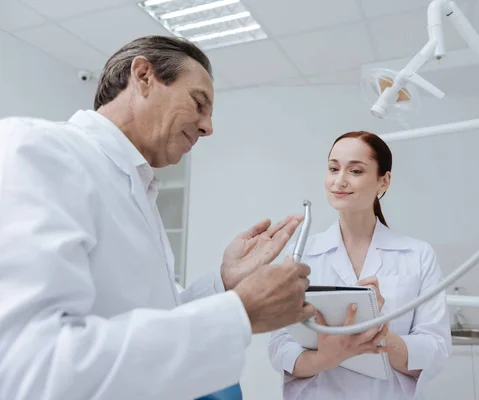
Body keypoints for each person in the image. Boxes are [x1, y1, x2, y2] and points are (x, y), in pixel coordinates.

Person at [0, 35, 316, 400]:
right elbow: (27, 367)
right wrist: (238, 313)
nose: (208, 127)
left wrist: (224, 285)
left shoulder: (135, 186)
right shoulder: (40, 150)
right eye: (199, 104)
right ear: (144, 75)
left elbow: (152, 314)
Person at [268, 131, 451, 399]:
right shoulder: (302, 255)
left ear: (383, 181)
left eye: (355, 170)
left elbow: (435, 350)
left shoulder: (417, 255)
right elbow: (280, 346)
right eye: (333, 168)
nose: (339, 181)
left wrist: (378, 331)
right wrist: (326, 358)